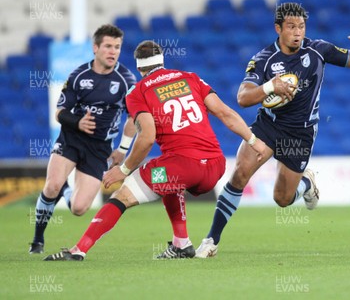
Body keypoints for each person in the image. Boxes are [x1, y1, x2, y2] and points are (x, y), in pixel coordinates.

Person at [43, 40, 268, 261]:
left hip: (184, 166)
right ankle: (182, 244)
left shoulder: (138, 92)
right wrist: (253, 140)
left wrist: (124, 169)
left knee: (122, 196)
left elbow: (147, 137)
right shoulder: (190, 78)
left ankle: (78, 250)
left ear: (139, 68)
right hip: (215, 166)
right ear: (162, 61)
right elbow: (225, 113)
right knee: (169, 179)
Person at [196, 2, 350, 258]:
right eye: (291, 27)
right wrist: (270, 87)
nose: (297, 32)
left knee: (282, 199)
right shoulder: (263, 59)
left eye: (301, 26)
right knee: (239, 174)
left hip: (300, 134)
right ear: (278, 28)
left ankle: (307, 183)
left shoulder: (318, 49)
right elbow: (243, 98)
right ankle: (211, 239)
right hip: (269, 125)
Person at [29, 24, 137, 254]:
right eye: (108, 46)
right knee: (51, 186)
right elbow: (59, 112)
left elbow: (135, 118)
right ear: (95, 48)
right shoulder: (78, 76)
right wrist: (77, 123)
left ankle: (65, 191)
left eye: (117, 47)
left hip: (99, 148)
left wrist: (123, 149)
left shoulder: (126, 80)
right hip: (71, 139)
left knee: (79, 208)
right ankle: (37, 240)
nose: (113, 51)